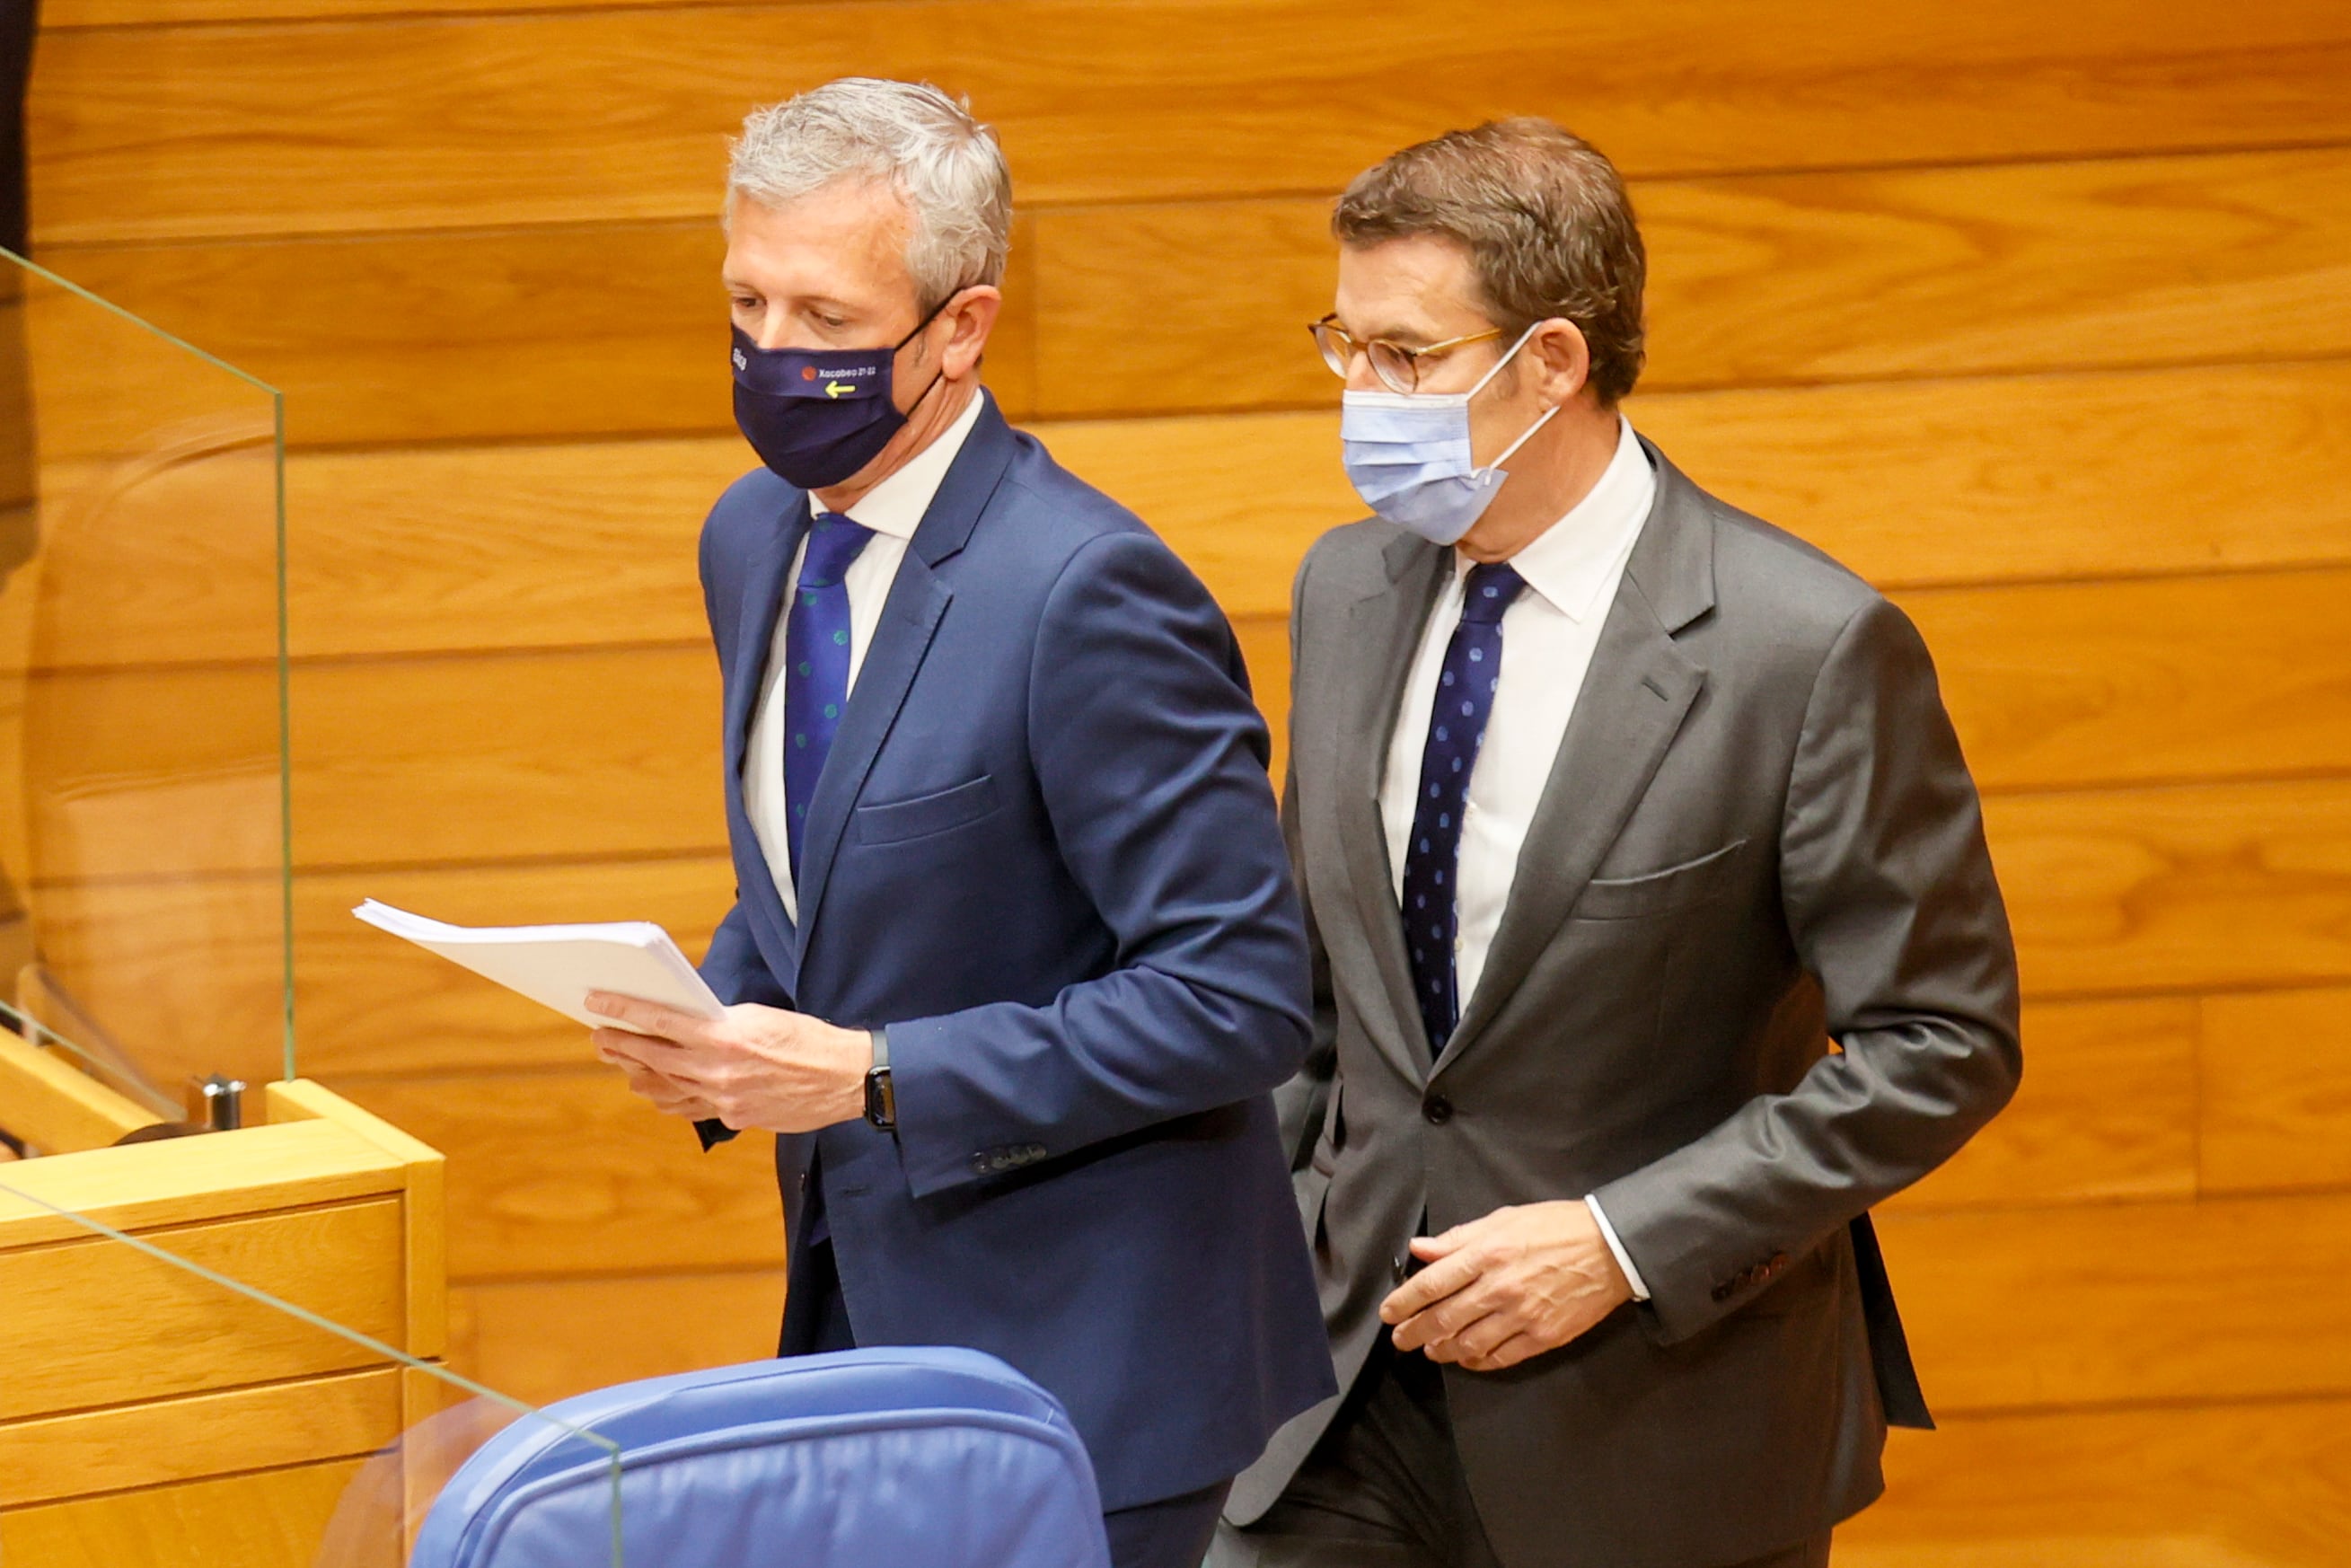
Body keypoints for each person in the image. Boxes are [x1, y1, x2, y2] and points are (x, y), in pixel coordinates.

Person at [1214, 119, 2022, 1568]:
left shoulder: (1805, 648)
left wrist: (1618, 1239)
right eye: (1343, 343)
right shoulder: (1344, 587)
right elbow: (1322, 992)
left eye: (1406, 359)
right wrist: (1264, 1238)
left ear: (1551, 364)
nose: (1356, 395)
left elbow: (1939, 1041)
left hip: (1652, 1422)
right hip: (1331, 1400)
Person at [588, 78, 1334, 1568]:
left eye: (825, 315)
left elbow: (1241, 999)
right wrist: (717, 1019)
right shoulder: (753, 535)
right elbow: (824, 868)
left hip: (1087, 1359)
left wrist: (873, 1075)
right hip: (862, 1302)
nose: (774, 355)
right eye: (746, 301)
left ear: (961, 326)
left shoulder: (1084, 591)